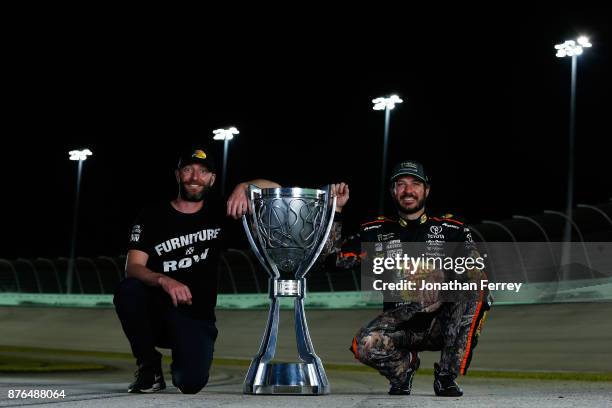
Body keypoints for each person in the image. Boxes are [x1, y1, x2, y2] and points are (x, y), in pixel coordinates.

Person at [113, 147, 279, 394]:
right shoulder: (152, 215)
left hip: (196, 316)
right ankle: (149, 366)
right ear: (178, 175)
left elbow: (276, 187)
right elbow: (133, 267)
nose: (195, 177)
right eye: (188, 170)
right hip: (157, 311)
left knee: (190, 383)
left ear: (212, 179)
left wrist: (244, 186)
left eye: (203, 172)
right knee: (128, 290)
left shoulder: (220, 210)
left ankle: (184, 358)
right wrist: (163, 280)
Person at [330, 160, 491, 397]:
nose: (408, 190)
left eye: (416, 183)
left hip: (443, 324)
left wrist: (442, 279)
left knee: (478, 289)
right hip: (400, 325)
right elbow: (332, 261)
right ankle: (404, 371)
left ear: (426, 190)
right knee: (364, 345)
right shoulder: (374, 231)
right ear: (393, 191)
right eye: (401, 184)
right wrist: (336, 211)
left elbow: (476, 270)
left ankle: (446, 376)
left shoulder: (452, 228)